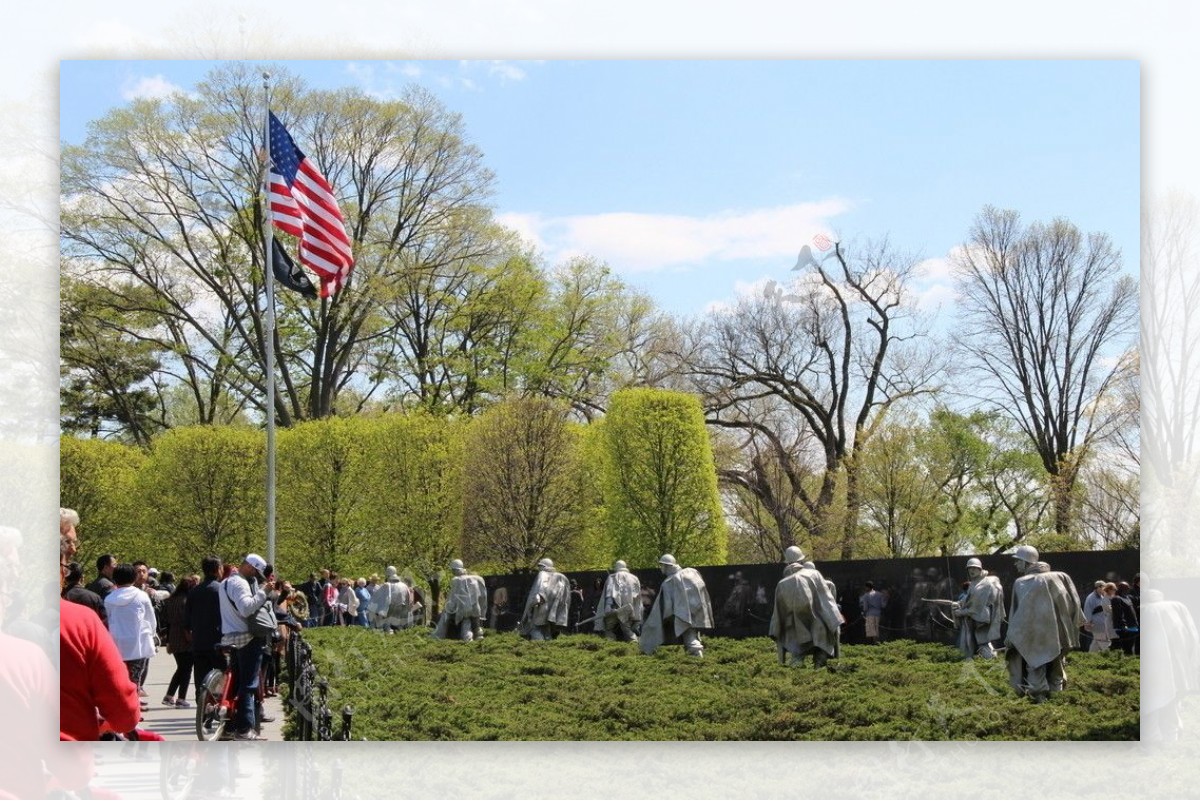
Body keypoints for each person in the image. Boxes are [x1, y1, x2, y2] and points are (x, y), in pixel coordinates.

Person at [1004, 545, 1084, 703]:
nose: (1015, 564)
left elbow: (1018, 614)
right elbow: (1073, 604)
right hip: (1058, 635)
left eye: (1018, 561)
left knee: (1035, 666)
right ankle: (1058, 699)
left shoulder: (1021, 582)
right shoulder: (1061, 577)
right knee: (1056, 667)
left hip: (1034, 636)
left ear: (1026, 562)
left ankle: (1039, 702)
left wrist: (1011, 635)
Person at [218, 553, 272, 740]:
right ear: (249, 567)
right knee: (248, 684)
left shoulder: (225, 582)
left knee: (235, 683)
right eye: (256, 572)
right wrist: (263, 592)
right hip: (246, 637)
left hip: (230, 635)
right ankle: (245, 728)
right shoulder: (240, 583)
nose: (256, 577)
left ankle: (229, 727)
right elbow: (246, 607)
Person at [770, 547, 843, 668]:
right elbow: (827, 601)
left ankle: (797, 661)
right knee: (822, 629)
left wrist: (776, 629)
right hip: (815, 624)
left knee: (795, 632)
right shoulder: (814, 574)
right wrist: (834, 620)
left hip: (792, 629)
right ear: (801, 560)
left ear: (787, 563)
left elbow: (777, 614)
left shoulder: (781, 584)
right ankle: (819, 660)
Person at [103, 562, 157, 712]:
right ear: (133, 577)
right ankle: (133, 707)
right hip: (137, 643)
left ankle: (120, 705)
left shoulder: (109, 599)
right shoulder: (141, 596)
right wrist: (152, 634)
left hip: (116, 643)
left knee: (119, 678)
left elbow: (108, 619)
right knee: (135, 679)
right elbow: (151, 619)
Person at [639, 554, 714, 657]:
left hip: (680, 615)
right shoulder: (691, 572)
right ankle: (694, 655)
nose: (661, 568)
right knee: (691, 635)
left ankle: (697, 656)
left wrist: (666, 618)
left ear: (667, 566)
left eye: (662, 565)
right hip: (694, 612)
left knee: (690, 638)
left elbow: (667, 608)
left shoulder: (669, 582)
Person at [187, 556, 225, 703]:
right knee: (221, 676)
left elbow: (187, 619)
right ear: (217, 570)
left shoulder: (194, 591)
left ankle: (202, 706)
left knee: (201, 678)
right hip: (218, 641)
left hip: (199, 641)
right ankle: (217, 704)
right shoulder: (221, 590)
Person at [951, 557, 1005, 659]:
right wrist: (959, 603)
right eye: (970, 568)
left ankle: (989, 662)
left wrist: (960, 613)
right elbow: (970, 598)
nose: (972, 570)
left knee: (982, 642)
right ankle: (981, 660)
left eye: (975, 568)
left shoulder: (984, 584)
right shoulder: (975, 582)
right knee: (978, 641)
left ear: (980, 569)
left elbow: (975, 608)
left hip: (980, 619)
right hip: (975, 618)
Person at [162, 576, 197, 707]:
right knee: (186, 669)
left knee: (181, 668)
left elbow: (166, 619)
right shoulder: (186, 601)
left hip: (173, 635)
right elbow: (186, 621)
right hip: (185, 637)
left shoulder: (171, 600)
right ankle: (181, 698)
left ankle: (169, 695)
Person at [434, 559, 487, 641]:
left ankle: (438, 635)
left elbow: (452, 598)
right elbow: (483, 596)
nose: (452, 572)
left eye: (452, 570)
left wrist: (447, 609)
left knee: (447, 617)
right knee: (471, 624)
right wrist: (482, 609)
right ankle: (477, 637)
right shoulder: (477, 579)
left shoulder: (456, 580)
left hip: (464, 609)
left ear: (455, 570)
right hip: (476, 609)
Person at [519, 558, 571, 641]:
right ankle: (547, 646)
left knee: (535, 628)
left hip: (540, 607)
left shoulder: (542, 574)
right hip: (552, 611)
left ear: (544, 566)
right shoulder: (562, 577)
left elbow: (538, 594)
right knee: (546, 631)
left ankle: (537, 647)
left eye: (540, 566)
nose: (539, 568)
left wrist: (529, 609)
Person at [594, 560, 643, 641]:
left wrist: (608, 605)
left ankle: (611, 643)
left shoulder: (612, 577)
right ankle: (633, 642)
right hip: (628, 609)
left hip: (614, 609)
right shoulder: (634, 578)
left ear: (616, 567)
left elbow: (610, 592)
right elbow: (637, 597)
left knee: (608, 628)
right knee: (626, 629)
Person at [62, 561, 107, 627]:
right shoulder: (94, 597)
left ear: (64, 578)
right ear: (82, 578)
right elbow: (104, 622)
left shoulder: (61, 596)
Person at [369, 566, 413, 633]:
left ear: (388, 573)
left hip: (390, 608)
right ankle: (399, 631)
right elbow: (408, 598)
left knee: (385, 618)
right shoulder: (404, 586)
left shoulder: (386, 585)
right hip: (401, 608)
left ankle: (388, 630)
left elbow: (376, 598)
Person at [1084, 581, 1117, 652]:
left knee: (1095, 644)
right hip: (1097, 625)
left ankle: (1089, 659)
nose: (1105, 589)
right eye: (1103, 587)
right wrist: (1087, 623)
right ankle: (1110, 658)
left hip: (1103, 624)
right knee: (1105, 644)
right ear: (1098, 588)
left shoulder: (1102, 597)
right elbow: (1087, 611)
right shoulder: (1090, 598)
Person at [859, 580, 885, 645]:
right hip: (878, 613)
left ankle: (874, 643)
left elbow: (865, 607)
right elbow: (883, 605)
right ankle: (877, 642)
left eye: (865, 587)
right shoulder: (879, 594)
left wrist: (863, 613)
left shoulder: (866, 595)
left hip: (869, 614)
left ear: (867, 587)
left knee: (871, 630)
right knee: (876, 628)